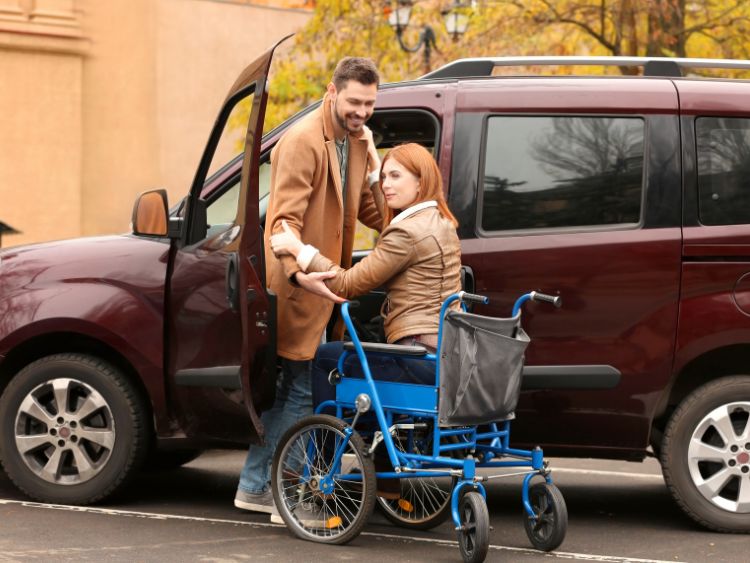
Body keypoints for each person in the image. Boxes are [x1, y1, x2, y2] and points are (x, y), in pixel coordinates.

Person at [234, 57, 384, 519]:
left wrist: (379, 169)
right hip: (301, 285)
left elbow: (375, 215)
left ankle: (258, 485)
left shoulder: (357, 141)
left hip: (328, 289)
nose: (362, 111)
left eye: (370, 104)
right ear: (332, 91)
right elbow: (282, 225)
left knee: (298, 391)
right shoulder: (302, 141)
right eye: (355, 101)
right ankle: (280, 492)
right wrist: (311, 268)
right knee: (301, 390)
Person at [270, 142, 462, 408]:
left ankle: (326, 446)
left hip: (416, 358)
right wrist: (373, 162)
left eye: (395, 176)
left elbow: (346, 284)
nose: (385, 185)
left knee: (328, 357)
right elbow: (391, 221)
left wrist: (298, 249)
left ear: (421, 183)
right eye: (384, 177)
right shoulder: (440, 222)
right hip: (444, 357)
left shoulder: (406, 234)